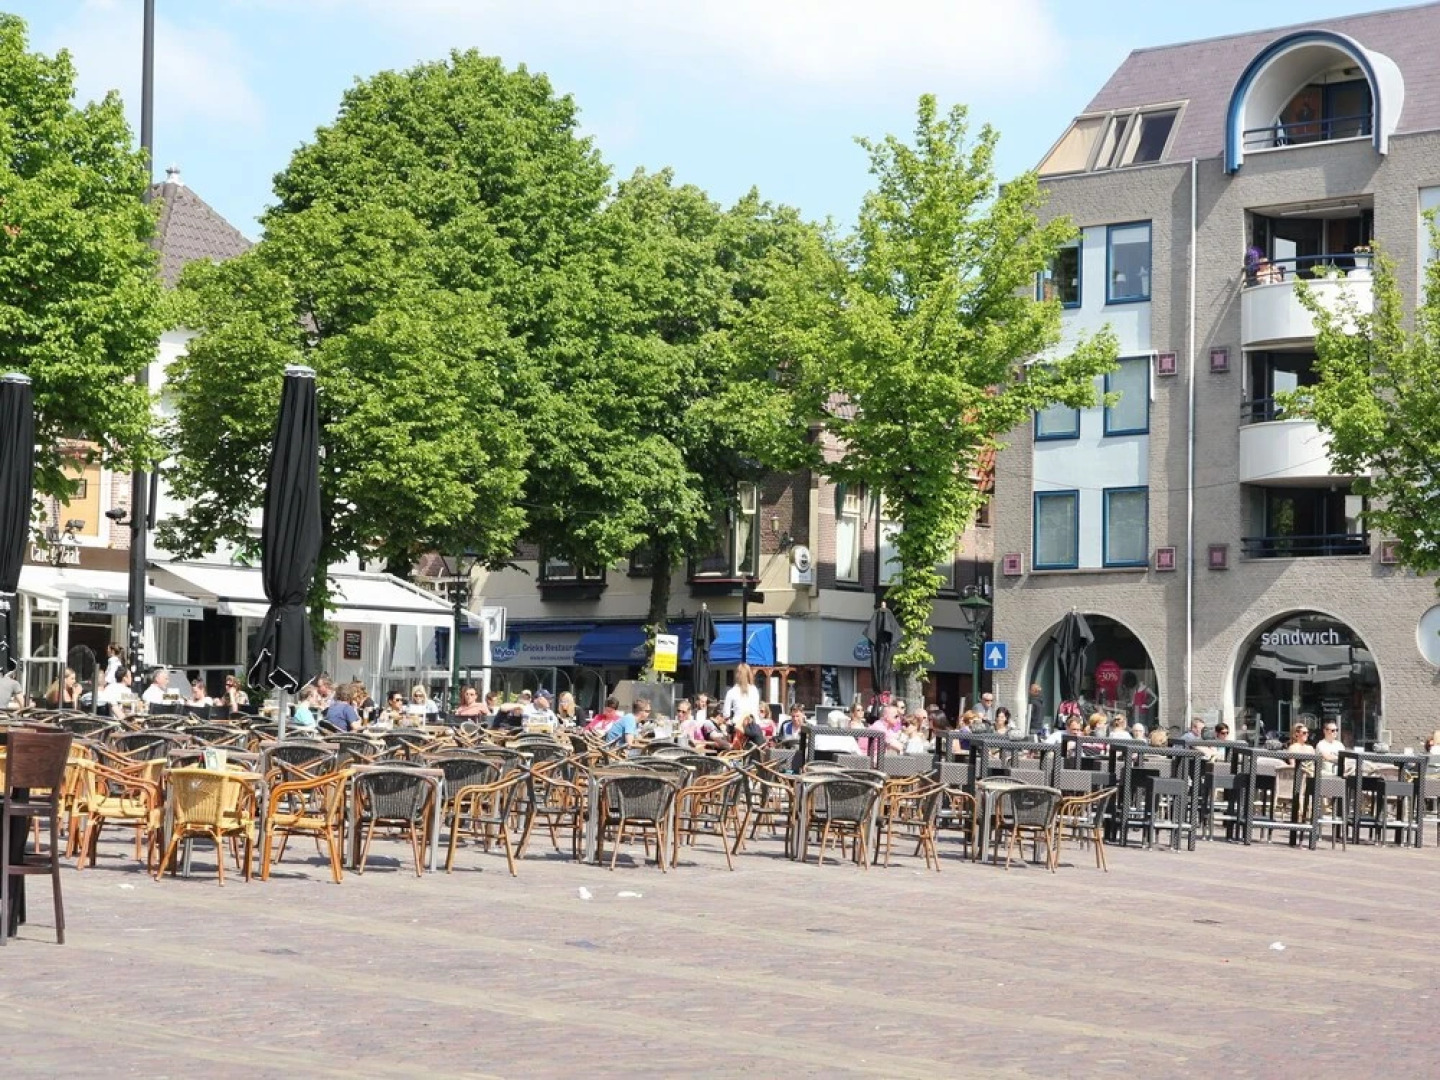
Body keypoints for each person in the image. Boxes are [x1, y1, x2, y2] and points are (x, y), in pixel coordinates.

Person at [723, 664, 762, 729]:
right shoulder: (755, 690)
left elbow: (726, 714)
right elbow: (756, 709)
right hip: (755, 726)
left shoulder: (731, 691)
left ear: (737, 675)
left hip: (738, 726)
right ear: (749, 674)